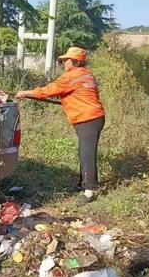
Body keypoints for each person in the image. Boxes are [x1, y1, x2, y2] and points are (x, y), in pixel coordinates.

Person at [16, 47, 105, 205]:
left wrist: (26, 93)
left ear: (76, 61)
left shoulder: (71, 76)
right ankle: (85, 183)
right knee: (85, 152)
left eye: (67, 60)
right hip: (93, 116)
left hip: (87, 118)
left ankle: (89, 192)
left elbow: (48, 90)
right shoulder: (86, 74)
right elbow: (81, 94)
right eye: (63, 60)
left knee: (87, 154)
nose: (64, 62)